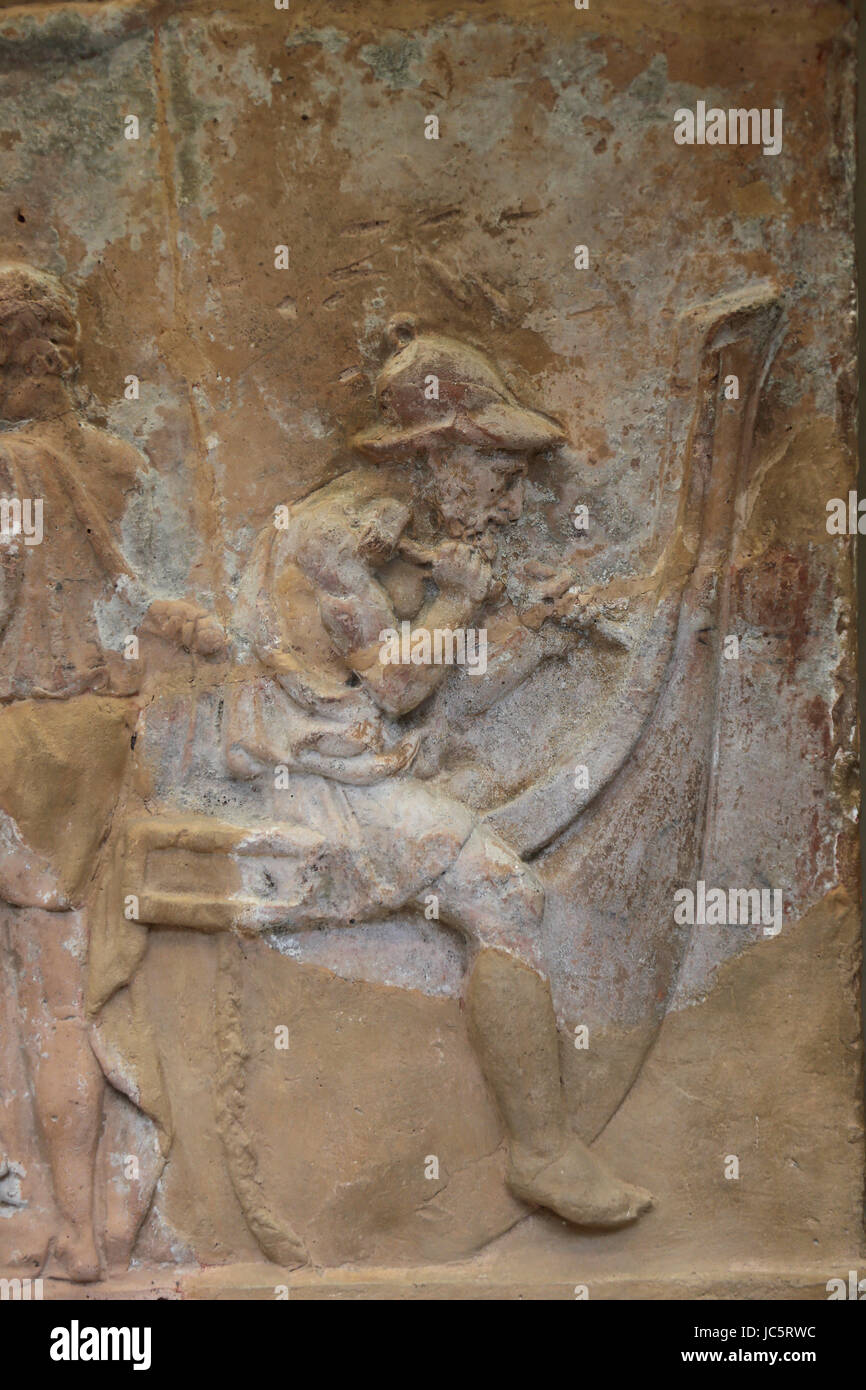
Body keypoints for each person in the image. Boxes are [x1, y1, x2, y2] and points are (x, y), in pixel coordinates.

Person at [224, 314, 652, 1228]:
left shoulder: (395, 536)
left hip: (361, 765)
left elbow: (437, 691)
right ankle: (542, 1152)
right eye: (497, 475)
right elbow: (399, 684)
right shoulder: (331, 539)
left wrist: (526, 630)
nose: (505, 502)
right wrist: (461, 596)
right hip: (313, 787)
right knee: (505, 892)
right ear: (438, 455)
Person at [0, 262, 222, 1280]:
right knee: (65, 996)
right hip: (100, 739)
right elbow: (147, 601)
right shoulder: (116, 461)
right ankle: (79, 1220)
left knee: (45, 999)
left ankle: (70, 1225)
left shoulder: (12, 473)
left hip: (26, 742)